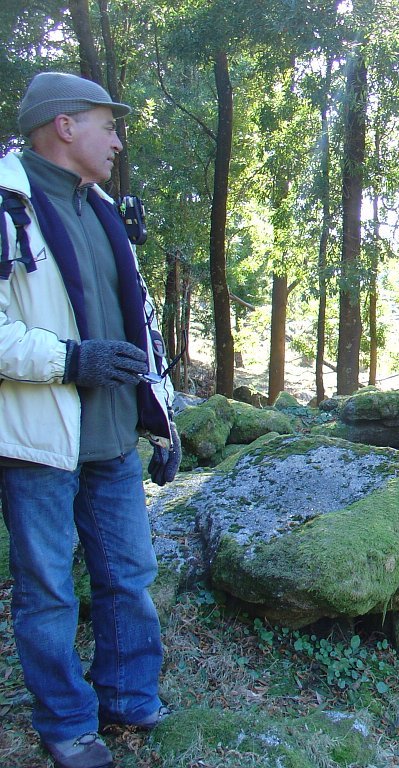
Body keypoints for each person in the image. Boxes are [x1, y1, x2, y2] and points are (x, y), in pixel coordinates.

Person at [0, 72, 179, 768]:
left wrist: (162, 419)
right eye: (109, 125)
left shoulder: (105, 210)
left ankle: (129, 696)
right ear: (65, 125)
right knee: (47, 591)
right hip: (38, 443)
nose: (118, 141)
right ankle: (67, 723)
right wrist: (70, 360)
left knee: (129, 574)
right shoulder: (8, 206)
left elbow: (140, 325)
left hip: (111, 438)